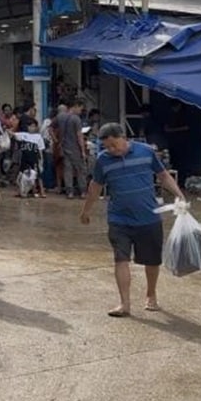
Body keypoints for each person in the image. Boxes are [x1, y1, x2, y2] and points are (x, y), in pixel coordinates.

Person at [79, 123, 185, 318]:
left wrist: (179, 194)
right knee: (121, 259)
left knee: (152, 260)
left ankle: (151, 295)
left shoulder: (145, 152)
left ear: (124, 137)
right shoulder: (103, 160)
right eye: (107, 147)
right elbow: (95, 186)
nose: (111, 150)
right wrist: (86, 211)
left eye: (114, 145)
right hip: (119, 218)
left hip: (148, 216)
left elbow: (163, 175)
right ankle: (124, 304)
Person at [58, 99, 88, 198]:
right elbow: (79, 135)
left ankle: (69, 192)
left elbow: (52, 129)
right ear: (75, 106)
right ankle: (83, 191)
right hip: (75, 148)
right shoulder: (76, 119)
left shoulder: (61, 117)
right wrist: (83, 150)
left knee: (68, 170)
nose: (80, 111)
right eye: (80, 108)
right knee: (80, 170)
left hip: (65, 147)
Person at [14, 120, 46, 198]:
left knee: (37, 176)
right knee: (21, 175)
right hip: (24, 159)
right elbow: (12, 134)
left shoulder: (38, 137)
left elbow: (41, 150)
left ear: (36, 127)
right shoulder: (23, 135)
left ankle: (41, 191)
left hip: (34, 159)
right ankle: (20, 191)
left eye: (33, 126)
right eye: (30, 126)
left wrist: (41, 160)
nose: (31, 128)